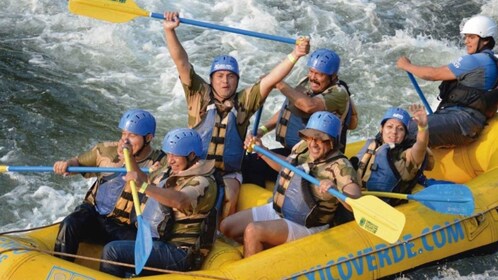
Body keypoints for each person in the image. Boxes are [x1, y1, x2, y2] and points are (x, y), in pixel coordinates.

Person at [162, 11, 310, 219]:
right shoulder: (198, 93)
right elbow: (182, 62)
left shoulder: (244, 101)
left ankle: (220, 236)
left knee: (230, 195)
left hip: (228, 172)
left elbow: (269, 80)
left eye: (230, 77)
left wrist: (296, 54)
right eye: (220, 76)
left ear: (237, 80)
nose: (225, 81)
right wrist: (170, 31)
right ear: (211, 79)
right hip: (195, 165)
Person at [220, 111, 361, 257]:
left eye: (320, 139)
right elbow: (286, 167)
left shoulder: (342, 166)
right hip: (279, 210)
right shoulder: (303, 147)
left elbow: (355, 198)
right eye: (310, 137)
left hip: (305, 224)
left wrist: (335, 189)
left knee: (253, 231)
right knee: (226, 227)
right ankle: (266, 251)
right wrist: (262, 152)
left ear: (333, 141)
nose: (313, 144)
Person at [100, 128, 218, 277]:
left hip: (179, 252)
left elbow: (179, 200)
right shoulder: (171, 170)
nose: (170, 160)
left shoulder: (204, 182)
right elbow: (145, 181)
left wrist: (143, 186)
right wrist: (130, 157)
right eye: (168, 154)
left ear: (192, 155)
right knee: (110, 233)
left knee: (113, 251)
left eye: (176, 155)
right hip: (156, 240)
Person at [53, 109, 165, 262]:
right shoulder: (106, 150)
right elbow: (77, 162)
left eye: (132, 136)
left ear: (148, 138)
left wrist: (130, 159)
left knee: (133, 251)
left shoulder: (160, 163)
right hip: (94, 215)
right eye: (124, 134)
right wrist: (66, 165)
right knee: (69, 224)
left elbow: (154, 189)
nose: (125, 141)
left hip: (126, 227)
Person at [242, 48, 358, 188]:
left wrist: (278, 83)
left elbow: (309, 106)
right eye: (311, 72)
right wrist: (262, 130)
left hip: (320, 158)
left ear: (332, 76)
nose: (313, 77)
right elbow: (290, 108)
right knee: (248, 161)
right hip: (299, 151)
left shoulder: (339, 94)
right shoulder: (308, 83)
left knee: (254, 164)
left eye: (319, 74)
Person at [396, 15, 498, 148]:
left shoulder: (477, 61)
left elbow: (433, 74)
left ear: (485, 40)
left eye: (472, 37)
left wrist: (407, 65)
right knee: (399, 126)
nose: (466, 41)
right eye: (466, 37)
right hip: (463, 120)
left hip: (462, 120)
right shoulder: (491, 62)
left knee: (404, 130)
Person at [351, 104, 434, 207]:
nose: (394, 132)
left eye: (400, 129)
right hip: (360, 198)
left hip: (386, 206)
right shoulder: (372, 146)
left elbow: (421, 146)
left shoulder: (406, 156)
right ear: (381, 128)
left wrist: (423, 127)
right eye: (389, 127)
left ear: (405, 135)